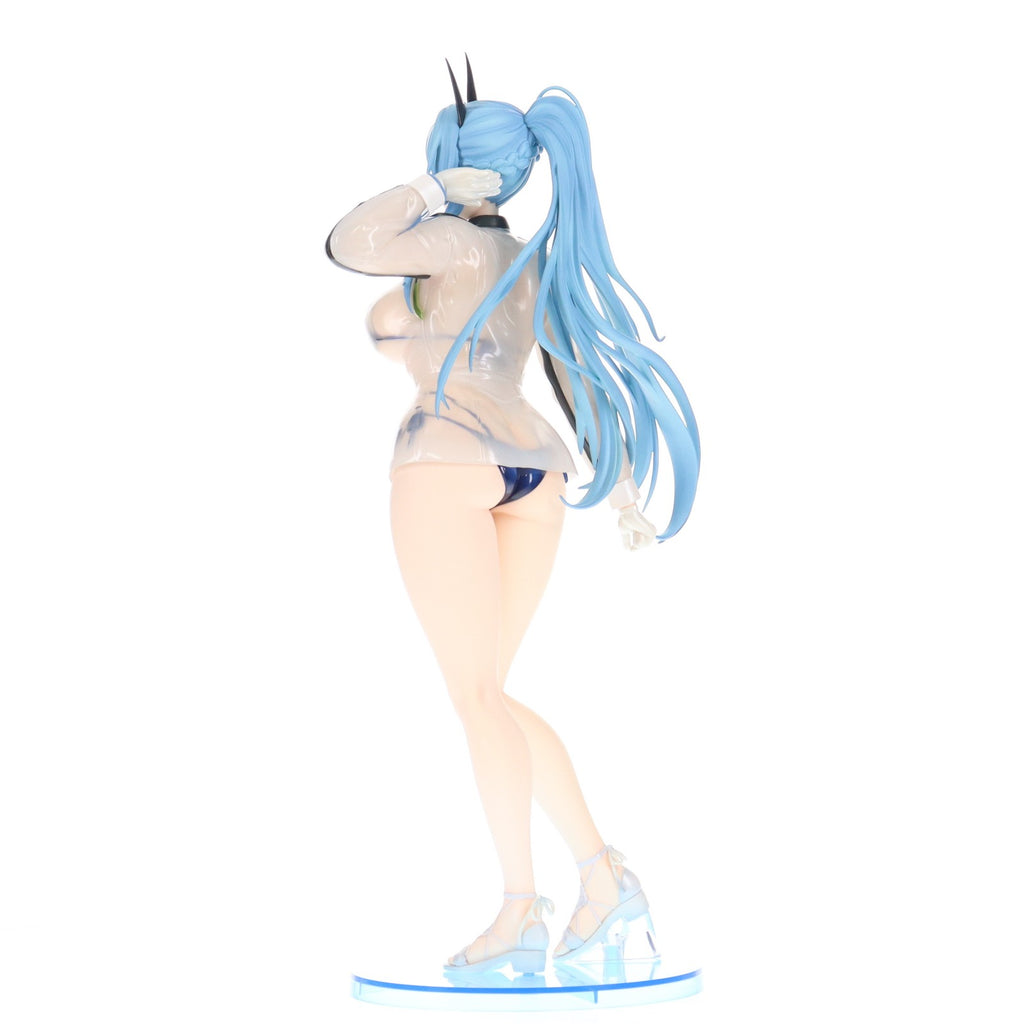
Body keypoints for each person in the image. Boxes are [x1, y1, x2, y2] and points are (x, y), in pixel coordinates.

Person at [326, 59, 699, 973]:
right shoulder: (538, 256)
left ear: (456, 158)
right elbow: (574, 377)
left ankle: (520, 913)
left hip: (447, 455)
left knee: (477, 698)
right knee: (490, 693)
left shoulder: (445, 242)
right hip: (536, 469)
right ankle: (603, 879)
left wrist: (428, 192)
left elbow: (347, 242)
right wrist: (618, 489)